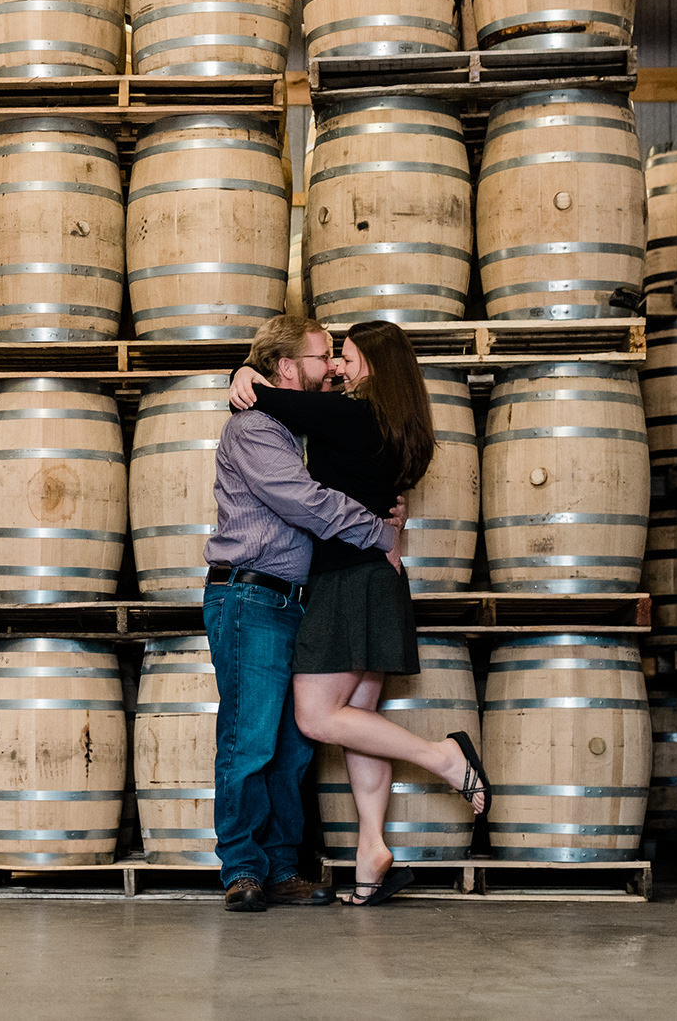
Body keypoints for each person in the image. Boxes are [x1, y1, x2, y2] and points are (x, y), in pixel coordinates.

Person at [228, 320, 490, 907]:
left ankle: (442, 756)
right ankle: (373, 852)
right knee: (358, 723)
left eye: (345, 358)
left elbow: (272, 396)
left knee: (317, 719)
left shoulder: (350, 415)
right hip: (379, 581)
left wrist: (242, 371)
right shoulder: (397, 426)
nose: (338, 369)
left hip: (346, 582)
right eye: (333, 358)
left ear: (372, 364)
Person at [206, 314, 407, 914]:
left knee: (293, 745)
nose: (332, 370)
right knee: (250, 740)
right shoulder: (257, 429)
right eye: (324, 358)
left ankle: (282, 865)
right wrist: (378, 530)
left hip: (295, 597)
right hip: (252, 595)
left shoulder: (300, 430)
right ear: (289, 366)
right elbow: (304, 501)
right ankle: (242, 867)